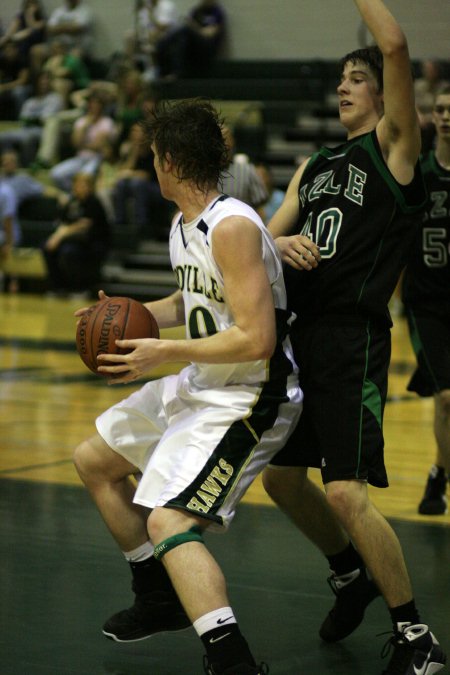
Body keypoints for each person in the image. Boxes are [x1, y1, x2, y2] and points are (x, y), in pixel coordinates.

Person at [72, 98, 302, 675]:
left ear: (171, 161)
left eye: (153, 157)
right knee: (95, 459)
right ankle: (157, 597)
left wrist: (161, 351)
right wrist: (128, 318)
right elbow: (192, 300)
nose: (150, 167)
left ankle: (233, 662)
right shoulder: (183, 222)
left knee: (168, 521)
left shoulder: (232, 227)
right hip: (203, 380)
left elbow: (256, 338)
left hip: (250, 396)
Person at [259, 1, 447, 674]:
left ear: (381, 94)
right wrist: (278, 241)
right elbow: (260, 236)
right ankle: (349, 572)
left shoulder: (395, 151)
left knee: (345, 491)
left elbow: (394, 45)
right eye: (339, 78)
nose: (342, 87)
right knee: (282, 478)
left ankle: (416, 640)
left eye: (355, 79)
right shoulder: (316, 165)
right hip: (300, 337)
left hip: (353, 338)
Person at [402, 86, 450, 517]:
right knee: (448, 397)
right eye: (440, 109)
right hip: (428, 303)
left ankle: (438, 471)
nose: (446, 116)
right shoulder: (419, 174)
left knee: (446, 403)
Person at [42, 172, 110, 296]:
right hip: (71, 240)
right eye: (76, 185)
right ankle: (57, 287)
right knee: (47, 248)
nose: (78, 188)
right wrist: (56, 236)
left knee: (69, 252)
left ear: (90, 187)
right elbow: (62, 222)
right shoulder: (71, 202)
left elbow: (84, 225)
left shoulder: (93, 202)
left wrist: (61, 235)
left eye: (82, 185)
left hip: (91, 241)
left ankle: (79, 288)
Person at [50, 90, 116, 193]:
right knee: (56, 174)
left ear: (101, 106)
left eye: (97, 104)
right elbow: (75, 144)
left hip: (97, 159)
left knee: (84, 178)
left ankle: (80, 197)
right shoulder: (82, 121)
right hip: (80, 158)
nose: (94, 106)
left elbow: (99, 145)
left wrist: (84, 144)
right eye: (91, 103)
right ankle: (75, 196)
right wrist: (86, 125)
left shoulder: (107, 122)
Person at [0, 72, 64, 167]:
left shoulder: (55, 98)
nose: (44, 82)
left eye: (46, 80)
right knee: (3, 136)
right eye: (41, 80)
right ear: (37, 82)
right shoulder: (30, 101)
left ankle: (27, 166)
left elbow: (45, 118)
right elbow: (23, 119)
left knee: (28, 139)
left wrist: (32, 119)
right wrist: (33, 119)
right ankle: (9, 164)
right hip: (26, 129)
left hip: (44, 131)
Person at [156, 0, 225, 79]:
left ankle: (177, 71)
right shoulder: (197, 11)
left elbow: (209, 34)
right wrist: (193, 28)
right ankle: (168, 70)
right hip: (193, 48)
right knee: (181, 39)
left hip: (207, 48)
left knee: (184, 30)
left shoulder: (217, 12)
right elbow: (190, 25)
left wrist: (194, 28)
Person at [220, 125, 268, 217]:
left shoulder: (247, 170)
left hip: (242, 224)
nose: (224, 144)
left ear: (232, 142)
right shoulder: (202, 174)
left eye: (226, 139)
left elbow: (260, 206)